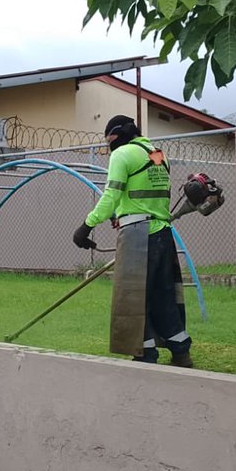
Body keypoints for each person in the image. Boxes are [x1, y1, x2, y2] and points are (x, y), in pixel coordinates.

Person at [73, 115, 193, 368]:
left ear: (116, 136)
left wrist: (86, 226)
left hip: (138, 236)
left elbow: (111, 193)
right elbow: (147, 194)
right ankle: (181, 352)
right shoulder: (157, 154)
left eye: (108, 141)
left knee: (133, 298)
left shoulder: (122, 154)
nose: (108, 147)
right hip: (163, 233)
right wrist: (120, 214)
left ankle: (145, 353)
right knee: (164, 295)